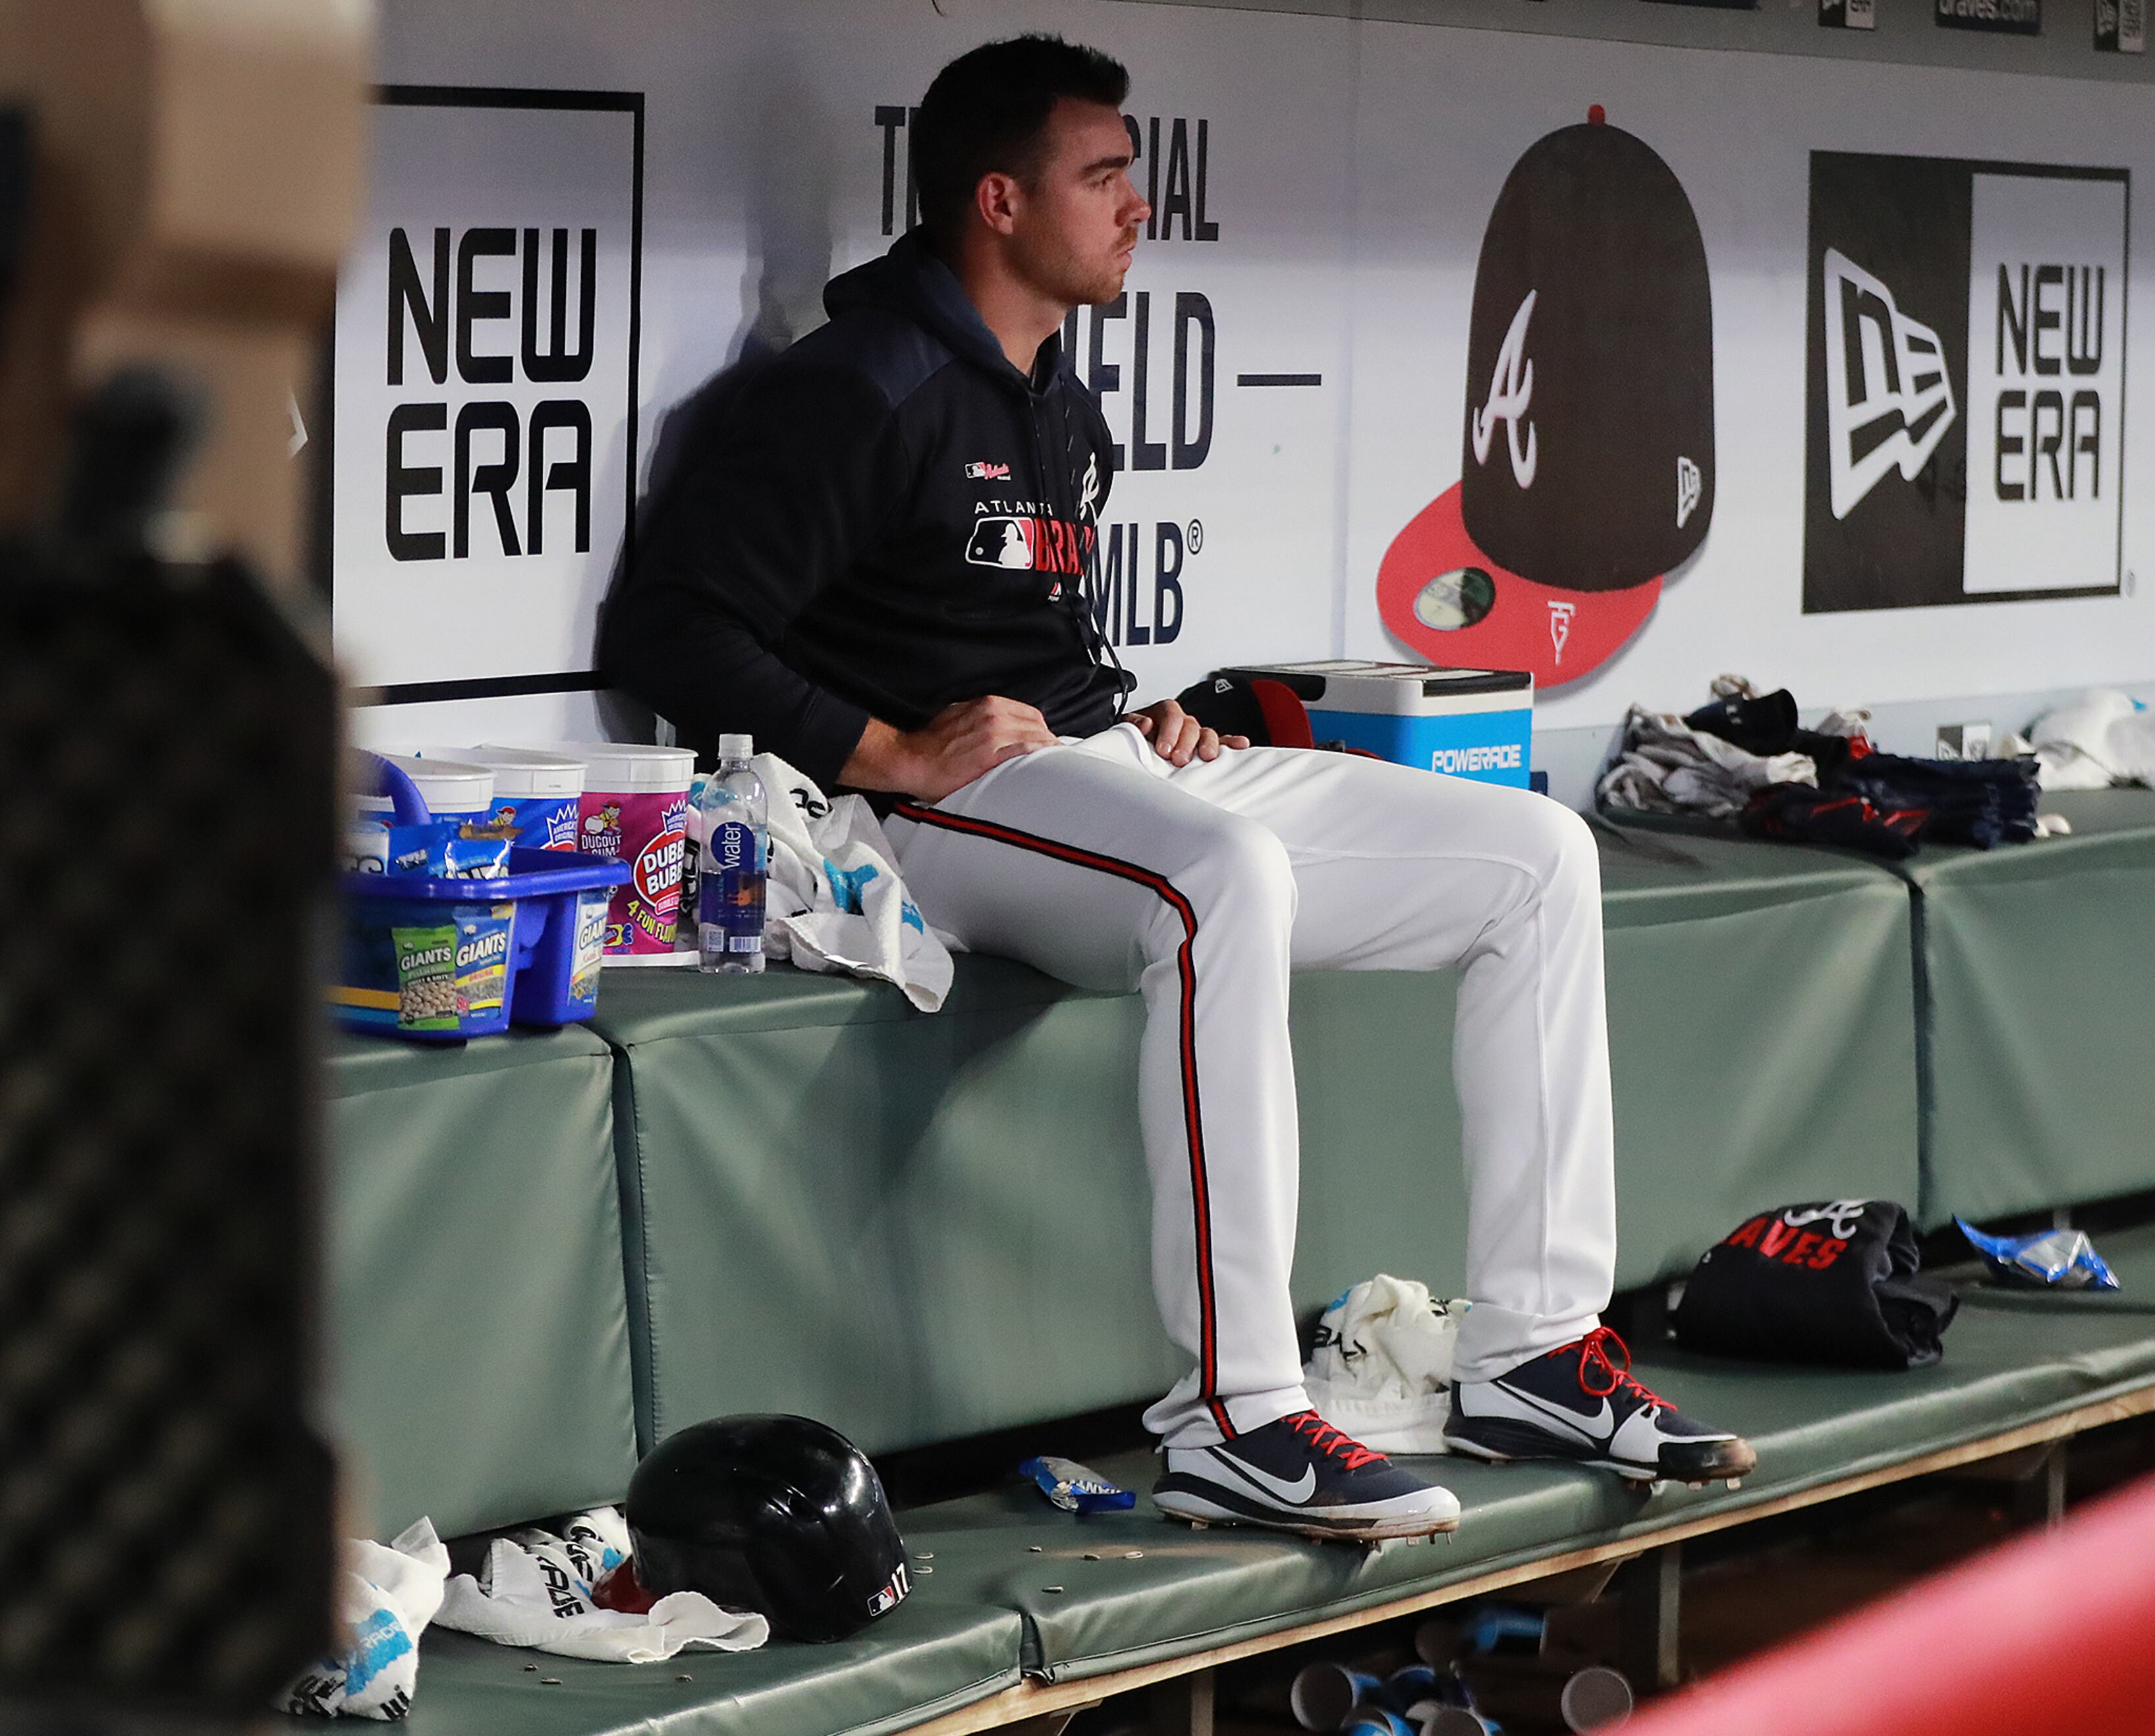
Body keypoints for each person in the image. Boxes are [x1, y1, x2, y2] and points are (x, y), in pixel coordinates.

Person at [600, 34, 1754, 1542]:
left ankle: (1535, 1350)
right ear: (999, 201)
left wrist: (1133, 719)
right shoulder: (860, 386)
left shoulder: (1055, 399)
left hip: (1091, 769)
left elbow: (1017, 630)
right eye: (1104, 175)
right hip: (931, 821)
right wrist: (886, 752)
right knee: (1225, 880)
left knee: (1539, 854)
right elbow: (671, 626)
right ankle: (1235, 1419)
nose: (1138, 204)